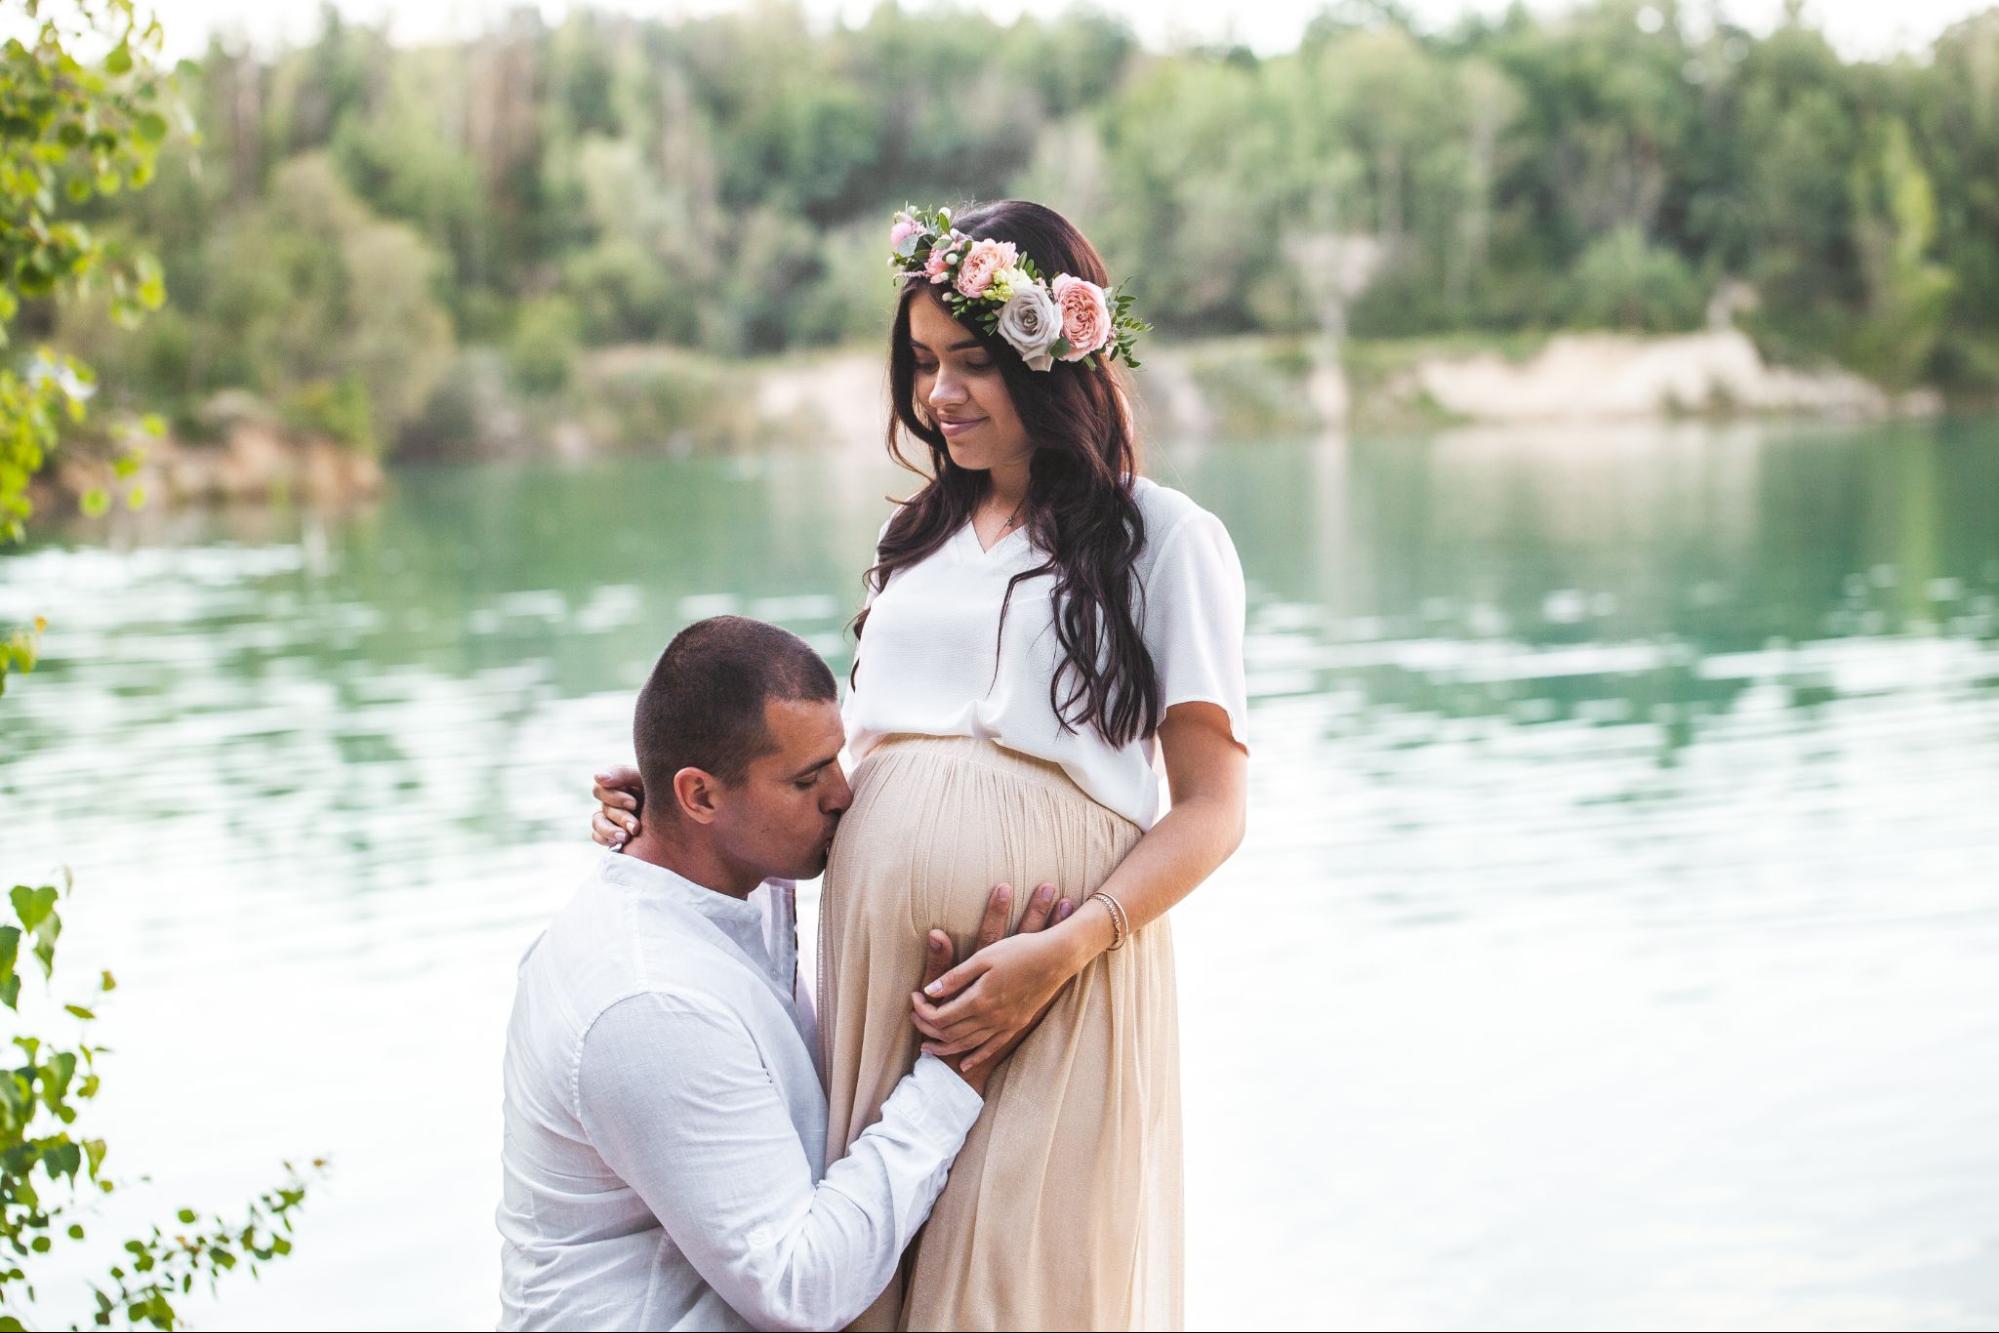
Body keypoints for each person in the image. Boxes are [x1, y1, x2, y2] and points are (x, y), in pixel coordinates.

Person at [593, 199, 1249, 1330]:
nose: (939, 393)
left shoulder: (1165, 541)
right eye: (924, 362)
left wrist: (1063, 948)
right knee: (872, 1291)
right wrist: (683, 805)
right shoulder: (914, 542)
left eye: (974, 363)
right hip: (881, 996)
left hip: (1056, 986)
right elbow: (847, 769)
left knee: (1020, 1289)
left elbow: (1214, 810)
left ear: (1056, 361)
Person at [500, 615, 1073, 1331]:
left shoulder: (718, 885)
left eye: (836, 759)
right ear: (701, 796)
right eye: (806, 779)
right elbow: (801, 1286)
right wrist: (953, 1073)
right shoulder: (652, 1001)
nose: (842, 794)